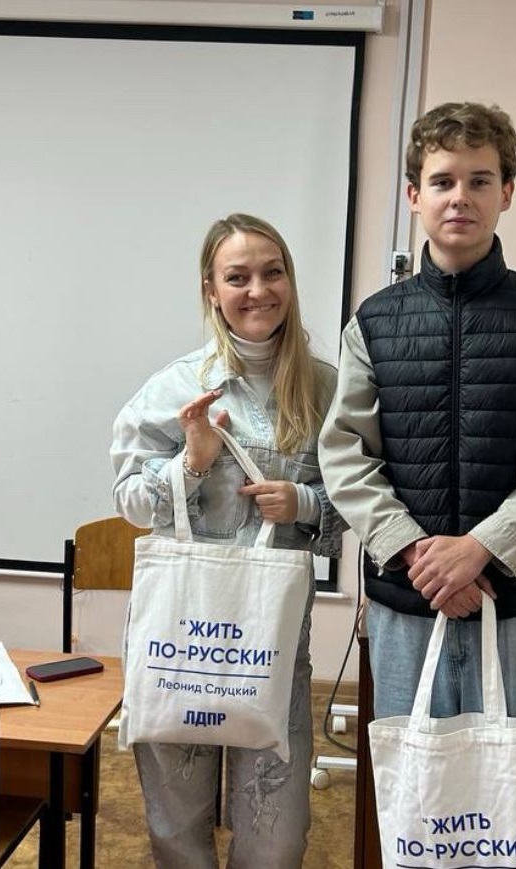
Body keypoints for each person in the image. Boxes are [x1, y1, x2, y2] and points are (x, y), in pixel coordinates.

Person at [318, 102, 516, 867]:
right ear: (413, 194)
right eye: (442, 180)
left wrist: (481, 547)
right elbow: (344, 453)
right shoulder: (374, 323)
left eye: (479, 180)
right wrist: (416, 552)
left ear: (506, 191)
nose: (460, 196)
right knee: (424, 812)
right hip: (407, 610)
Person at [110, 213, 342, 868]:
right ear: (211, 290)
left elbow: (360, 499)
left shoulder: (327, 389)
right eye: (237, 277)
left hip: (272, 641)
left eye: (272, 273)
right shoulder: (175, 387)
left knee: (276, 834)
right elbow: (128, 502)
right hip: (180, 637)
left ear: (289, 281)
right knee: (176, 824)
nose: (257, 290)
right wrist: (191, 462)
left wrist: (302, 502)